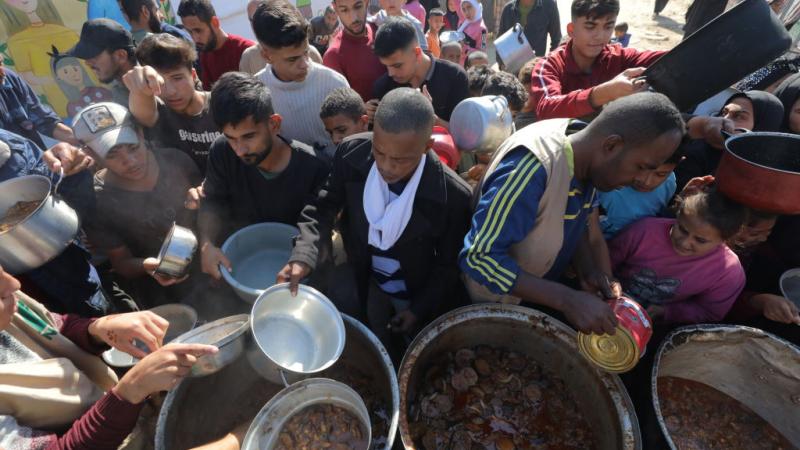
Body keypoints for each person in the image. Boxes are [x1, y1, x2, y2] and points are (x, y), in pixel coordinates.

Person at [460, 92, 685, 334]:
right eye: (640, 167)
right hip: (489, 303)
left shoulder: (586, 157)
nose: (640, 180)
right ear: (611, 145)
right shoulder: (531, 170)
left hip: (532, 292)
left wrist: (588, 269)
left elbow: (571, 218)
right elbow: (478, 258)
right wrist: (567, 299)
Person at [278, 88, 472, 349]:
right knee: (376, 328)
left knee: (416, 344)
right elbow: (322, 206)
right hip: (369, 277)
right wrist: (304, 254)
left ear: (427, 148)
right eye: (379, 152)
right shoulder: (351, 154)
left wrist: (417, 309)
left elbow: (448, 266)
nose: (386, 167)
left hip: (415, 289)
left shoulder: (452, 195)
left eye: (400, 160)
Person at [0, 264, 220, 450]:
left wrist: (97, 329)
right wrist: (132, 389)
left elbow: (51, 328)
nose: (14, 284)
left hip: (114, 405)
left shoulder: (9, 298)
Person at [199, 73, 329, 281]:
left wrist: (303, 258)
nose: (239, 150)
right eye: (231, 138)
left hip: (296, 272)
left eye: (249, 136)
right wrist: (206, 244)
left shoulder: (315, 167)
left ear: (274, 124)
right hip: (239, 260)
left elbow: (317, 220)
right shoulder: (222, 151)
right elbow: (213, 201)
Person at [74, 102, 202, 308]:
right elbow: (122, 262)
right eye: (112, 155)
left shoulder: (176, 160)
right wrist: (147, 265)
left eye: (133, 147)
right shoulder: (97, 201)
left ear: (140, 133)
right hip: (161, 288)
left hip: (209, 262)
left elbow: (215, 210)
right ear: (91, 153)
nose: (131, 161)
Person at [0, 130, 136, 317]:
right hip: (21, 318)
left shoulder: (10, 146)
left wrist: (73, 171)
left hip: (78, 280)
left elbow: (68, 199)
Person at [609, 189, 747, 324]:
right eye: (682, 229)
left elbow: (709, 311)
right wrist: (610, 282)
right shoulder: (643, 231)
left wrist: (667, 311)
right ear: (678, 216)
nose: (685, 242)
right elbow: (605, 260)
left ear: (724, 240)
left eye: (700, 240)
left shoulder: (728, 272)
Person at [530, 0, 666, 120]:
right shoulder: (549, 66)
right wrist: (603, 93)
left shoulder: (619, 57)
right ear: (571, 30)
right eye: (590, 26)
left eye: (608, 27)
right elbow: (546, 109)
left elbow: (670, 57)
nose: (600, 36)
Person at [252, 0, 350, 158]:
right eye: (292, 59)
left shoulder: (334, 83)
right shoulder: (256, 94)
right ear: (266, 55)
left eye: (306, 52)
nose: (304, 64)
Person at [124, 33, 221, 173]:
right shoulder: (159, 113)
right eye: (160, 82)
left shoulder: (220, 104)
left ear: (193, 76)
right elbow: (143, 113)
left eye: (177, 78)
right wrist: (138, 88)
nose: (171, 92)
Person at [674, 90, 784, 192]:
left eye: (739, 116)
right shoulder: (692, 148)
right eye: (723, 112)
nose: (725, 120)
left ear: (762, 127)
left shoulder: (765, 176)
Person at [373, 18, 470, 127]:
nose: (391, 73)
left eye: (397, 65)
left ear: (417, 53)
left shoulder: (456, 77)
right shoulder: (383, 86)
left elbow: (465, 135)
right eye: (386, 66)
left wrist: (431, 119)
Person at [598, 147, 684, 239]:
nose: (647, 182)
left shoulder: (669, 183)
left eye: (660, 174)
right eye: (641, 168)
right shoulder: (602, 181)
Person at [0, 59, 78, 149]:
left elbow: (42, 119)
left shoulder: (9, 78)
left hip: (39, 158)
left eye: (0, 63)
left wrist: (83, 141)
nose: (3, 72)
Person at [177, 0, 254, 90]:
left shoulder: (245, 50)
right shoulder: (205, 53)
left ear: (215, 23)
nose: (194, 38)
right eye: (190, 32)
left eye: (198, 30)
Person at [323, 0, 387, 102]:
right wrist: (363, 110)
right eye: (344, 10)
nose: (354, 18)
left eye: (358, 7)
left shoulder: (381, 30)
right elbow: (341, 108)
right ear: (336, 9)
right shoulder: (333, 56)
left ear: (366, 3)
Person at [239, 0, 324, 75]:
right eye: (253, 20)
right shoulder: (249, 58)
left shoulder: (310, 53)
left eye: (266, 18)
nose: (259, 24)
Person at [68, 19, 138, 107]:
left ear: (121, 55)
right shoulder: (118, 91)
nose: (87, 63)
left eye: (93, 56)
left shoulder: (156, 75)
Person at [119, 0, 193, 45]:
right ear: (145, 11)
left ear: (126, 16)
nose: (162, 16)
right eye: (157, 10)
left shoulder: (129, 48)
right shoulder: (171, 38)